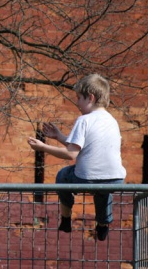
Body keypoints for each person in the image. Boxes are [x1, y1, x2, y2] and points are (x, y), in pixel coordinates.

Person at [27, 73, 126, 241]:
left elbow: (71, 154)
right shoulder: (112, 121)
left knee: (63, 176)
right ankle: (103, 224)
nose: (77, 103)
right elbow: (85, 146)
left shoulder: (84, 120)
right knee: (103, 189)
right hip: (116, 179)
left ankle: (65, 218)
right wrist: (60, 137)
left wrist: (43, 147)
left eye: (79, 98)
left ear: (91, 98)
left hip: (86, 179)